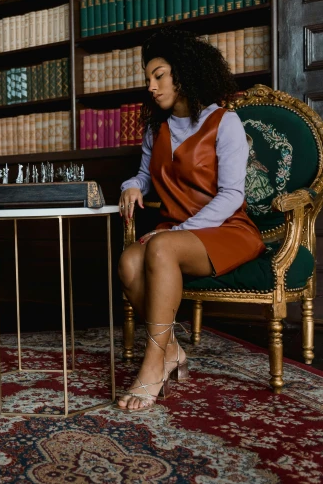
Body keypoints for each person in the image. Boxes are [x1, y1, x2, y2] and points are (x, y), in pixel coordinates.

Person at [116, 28, 265, 411]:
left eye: (159, 75)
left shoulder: (224, 122)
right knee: (129, 260)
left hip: (225, 229)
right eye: (148, 77)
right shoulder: (157, 128)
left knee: (159, 246)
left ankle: (152, 367)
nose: (150, 86)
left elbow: (232, 195)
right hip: (176, 232)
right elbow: (145, 175)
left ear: (183, 73)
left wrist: (178, 232)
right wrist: (132, 186)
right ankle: (172, 351)